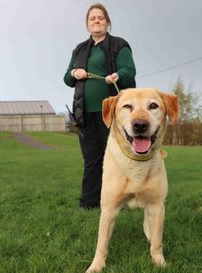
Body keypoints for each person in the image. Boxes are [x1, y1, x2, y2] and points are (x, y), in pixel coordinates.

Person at [64, 3, 136, 209]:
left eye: (100, 18)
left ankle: (122, 200)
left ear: (108, 22)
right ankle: (88, 202)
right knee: (91, 159)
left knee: (117, 158)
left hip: (112, 114)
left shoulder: (119, 45)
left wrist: (118, 75)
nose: (96, 21)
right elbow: (67, 78)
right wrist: (73, 73)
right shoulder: (79, 49)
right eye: (92, 18)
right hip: (85, 114)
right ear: (87, 24)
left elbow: (129, 70)